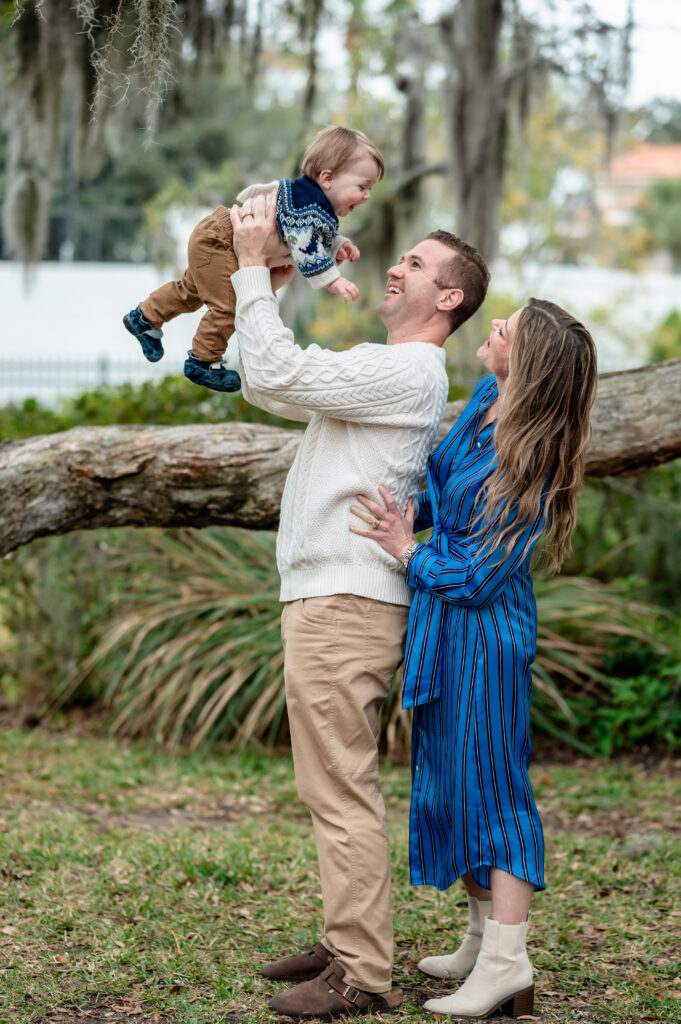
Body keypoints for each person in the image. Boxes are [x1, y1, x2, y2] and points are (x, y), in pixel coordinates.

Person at [226, 192, 490, 1019]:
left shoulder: (406, 368)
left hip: (344, 602)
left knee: (340, 786)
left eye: (415, 262)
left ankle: (360, 972)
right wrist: (269, 273)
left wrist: (248, 264)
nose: (395, 266)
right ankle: (348, 937)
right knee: (329, 783)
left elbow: (273, 369)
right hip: (328, 593)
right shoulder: (381, 367)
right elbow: (261, 383)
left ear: (447, 297)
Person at [350, 299, 598, 1019]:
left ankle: (506, 964)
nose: (491, 331)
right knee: (453, 787)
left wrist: (406, 549)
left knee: (496, 797)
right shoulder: (485, 400)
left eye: (505, 331)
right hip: (443, 631)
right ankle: (480, 938)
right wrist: (408, 515)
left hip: (486, 640)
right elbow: (436, 482)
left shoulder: (531, 456)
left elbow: (479, 576)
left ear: (530, 362)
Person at [122, 126, 383, 392]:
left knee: (189, 291)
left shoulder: (314, 204)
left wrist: (338, 246)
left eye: (370, 188)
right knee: (231, 304)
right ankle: (203, 360)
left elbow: (314, 237)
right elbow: (303, 241)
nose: (367, 195)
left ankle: (143, 318)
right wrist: (332, 280)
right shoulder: (306, 203)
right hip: (222, 240)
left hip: (218, 239)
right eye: (362, 186)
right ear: (327, 178)